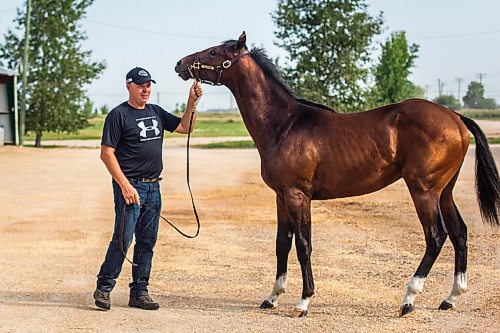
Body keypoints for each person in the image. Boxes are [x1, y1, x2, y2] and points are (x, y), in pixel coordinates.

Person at [93, 67, 203, 310]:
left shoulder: (155, 112)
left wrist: (191, 101)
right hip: (130, 188)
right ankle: (104, 287)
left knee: (147, 241)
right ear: (128, 86)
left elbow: (186, 127)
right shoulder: (118, 115)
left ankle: (139, 292)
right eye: (141, 85)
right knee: (123, 238)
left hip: (154, 189)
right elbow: (106, 153)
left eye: (149, 85)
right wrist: (124, 185)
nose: (146, 89)